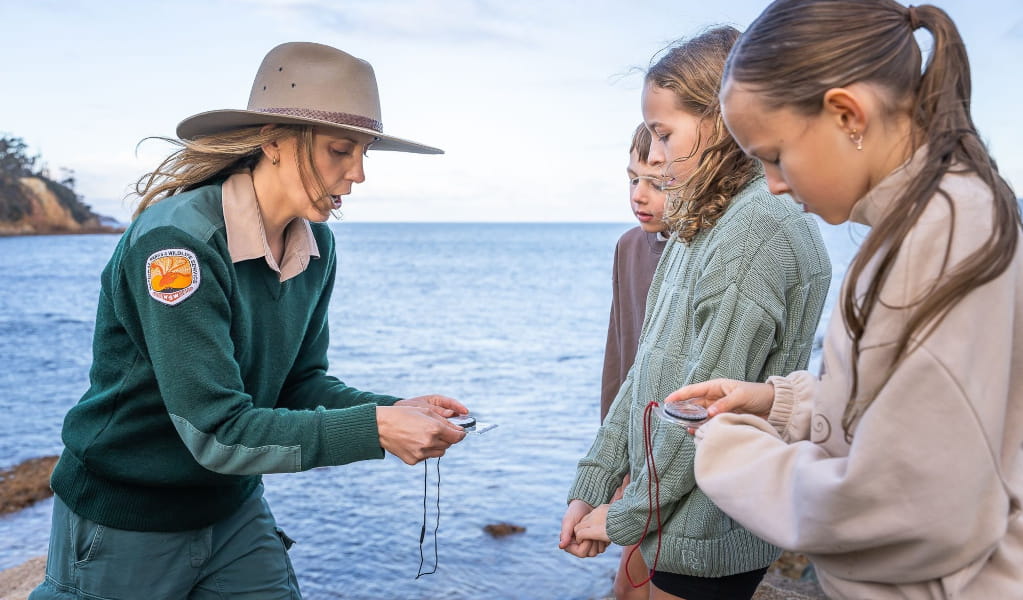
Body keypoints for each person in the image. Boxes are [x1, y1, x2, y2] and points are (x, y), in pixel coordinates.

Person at [30, 42, 468, 600]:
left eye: (364, 152)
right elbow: (215, 430)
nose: (358, 173)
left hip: (232, 511)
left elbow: (297, 384)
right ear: (274, 142)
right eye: (340, 150)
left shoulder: (317, 247)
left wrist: (390, 408)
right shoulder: (178, 245)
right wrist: (376, 430)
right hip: (125, 520)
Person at [666, 2, 1023, 599]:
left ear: (847, 114)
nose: (774, 184)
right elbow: (911, 410)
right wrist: (775, 405)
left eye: (775, 156)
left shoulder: (937, 246)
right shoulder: (940, 217)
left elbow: (908, 506)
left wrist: (727, 448)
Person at [559, 26, 832, 600]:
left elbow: (698, 412)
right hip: (675, 517)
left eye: (663, 135)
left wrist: (626, 515)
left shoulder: (754, 231)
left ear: (722, 117)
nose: (654, 156)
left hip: (710, 531)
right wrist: (595, 482)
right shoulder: (700, 224)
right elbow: (644, 376)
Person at [602, 123, 669, 600]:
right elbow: (619, 354)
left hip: (683, 451)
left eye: (657, 183)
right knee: (627, 587)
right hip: (635, 447)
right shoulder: (628, 247)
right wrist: (612, 461)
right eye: (632, 180)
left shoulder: (704, 249)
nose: (639, 195)